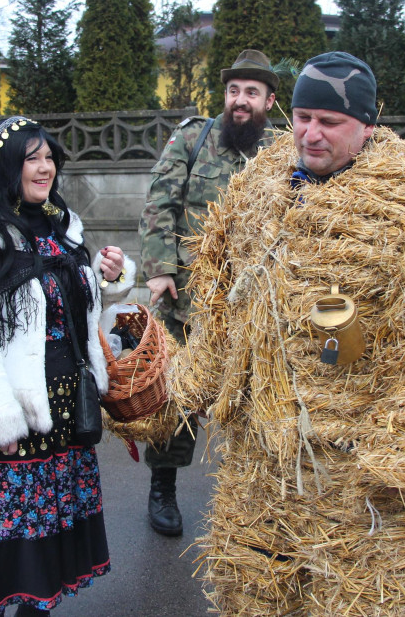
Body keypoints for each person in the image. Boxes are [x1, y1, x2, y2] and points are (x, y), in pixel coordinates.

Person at [166, 52, 405, 614]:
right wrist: (182, 386)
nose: (310, 134)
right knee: (253, 594)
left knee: (364, 599)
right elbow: (220, 298)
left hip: (357, 475)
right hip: (259, 463)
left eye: (329, 122)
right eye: (302, 116)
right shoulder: (258, 186)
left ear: (367, 123)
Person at [0, 116, 136, 616]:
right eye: (33, 158)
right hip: (14, 416)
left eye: (49, 157)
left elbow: (68, 302)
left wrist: (106, 278)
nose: (46, 167)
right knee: (7, 549)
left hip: (63, 413)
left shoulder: (59, 226)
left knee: (43, 550)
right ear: (5, 165)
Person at [138, 48, 279, 536]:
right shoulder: (193, 137)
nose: (241, 101)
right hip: (188, 302)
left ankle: (251, 502)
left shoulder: (283, 151)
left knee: (254, 403)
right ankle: (163, 490)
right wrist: (159, 269)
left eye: (252, 93)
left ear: (269, 100)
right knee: (176, 400)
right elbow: (160, 199)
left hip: (255, 307)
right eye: (234, 91)